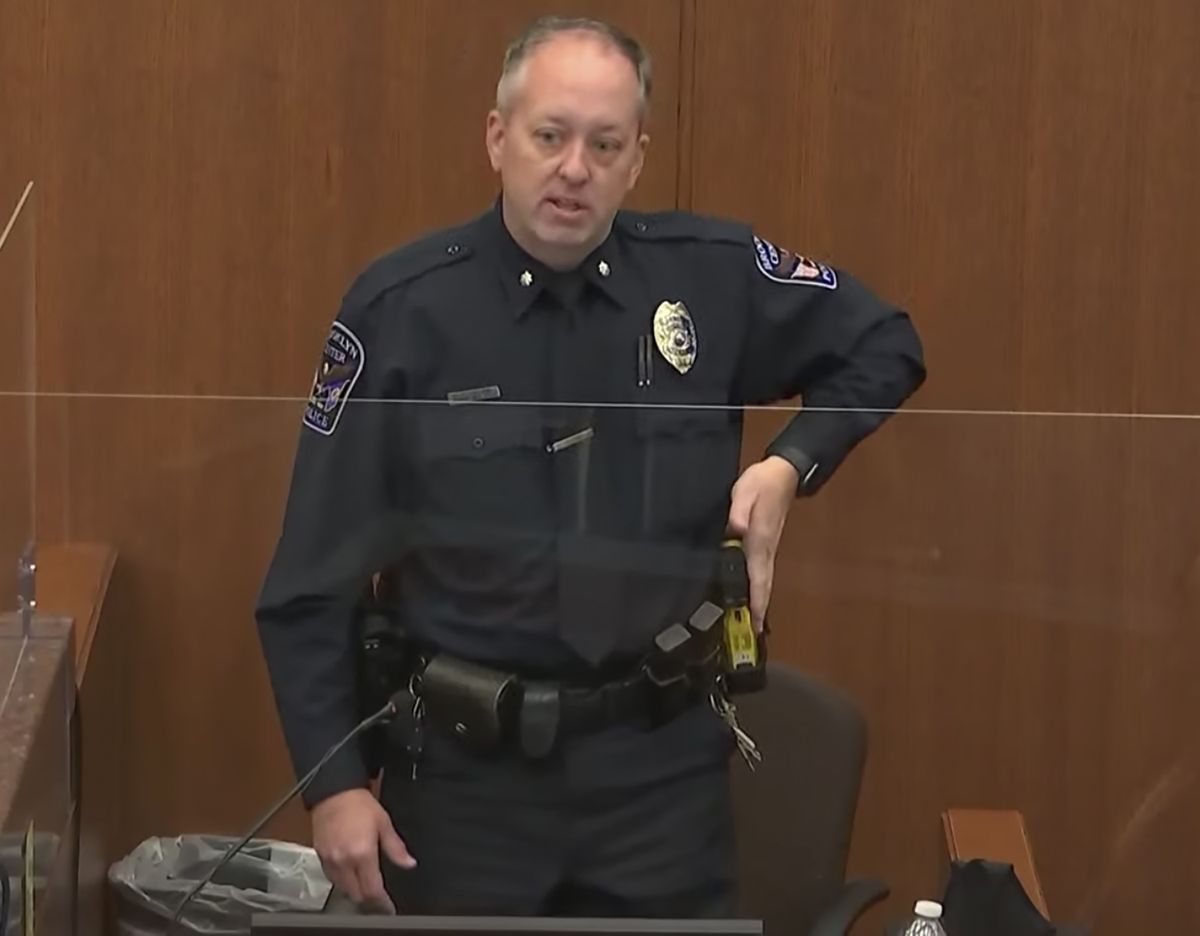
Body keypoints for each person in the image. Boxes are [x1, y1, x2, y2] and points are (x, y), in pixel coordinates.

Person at [256, 14, 925, 920]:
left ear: (637, 158)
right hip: (462, 785)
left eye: (605, 144)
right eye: (550, 136)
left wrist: (789, 466)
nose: (575, 167)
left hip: (658, 780)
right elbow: (310, 581)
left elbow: (885, 343)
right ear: (498, 140)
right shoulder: (402, 313)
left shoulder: (708, 281)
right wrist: (333, 783)